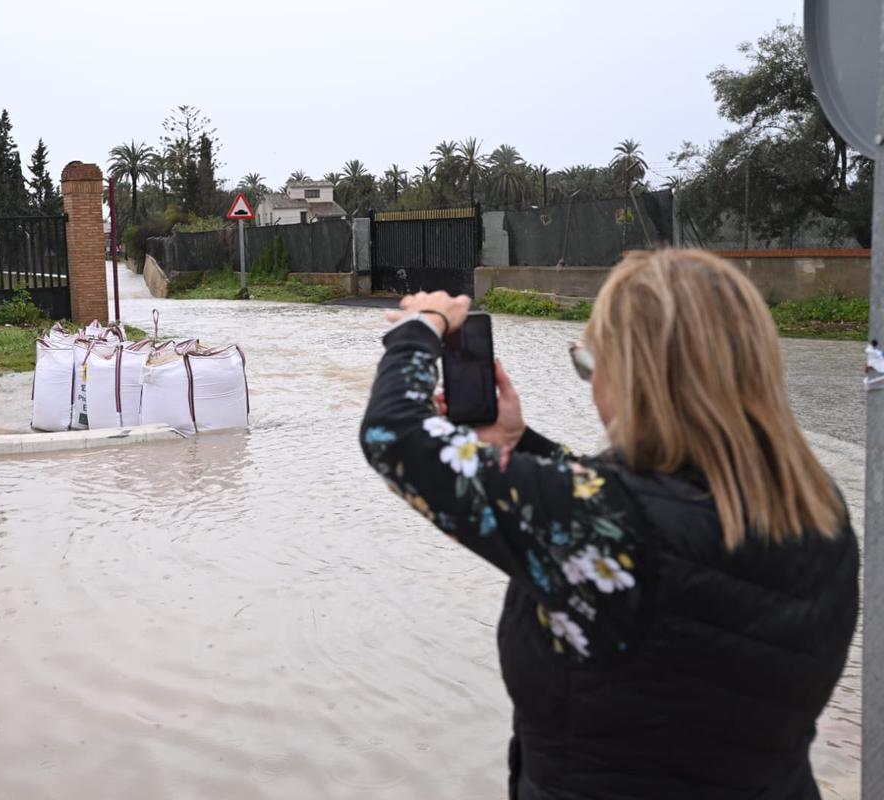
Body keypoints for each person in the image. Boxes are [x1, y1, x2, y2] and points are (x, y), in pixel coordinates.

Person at [359, 249, 858, 800]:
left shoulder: (611, 524)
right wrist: (520, 446)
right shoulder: (818, 506)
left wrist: (418, 329)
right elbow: (653, 510)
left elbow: (396, 436)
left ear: (631, 378)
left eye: (588, 365)